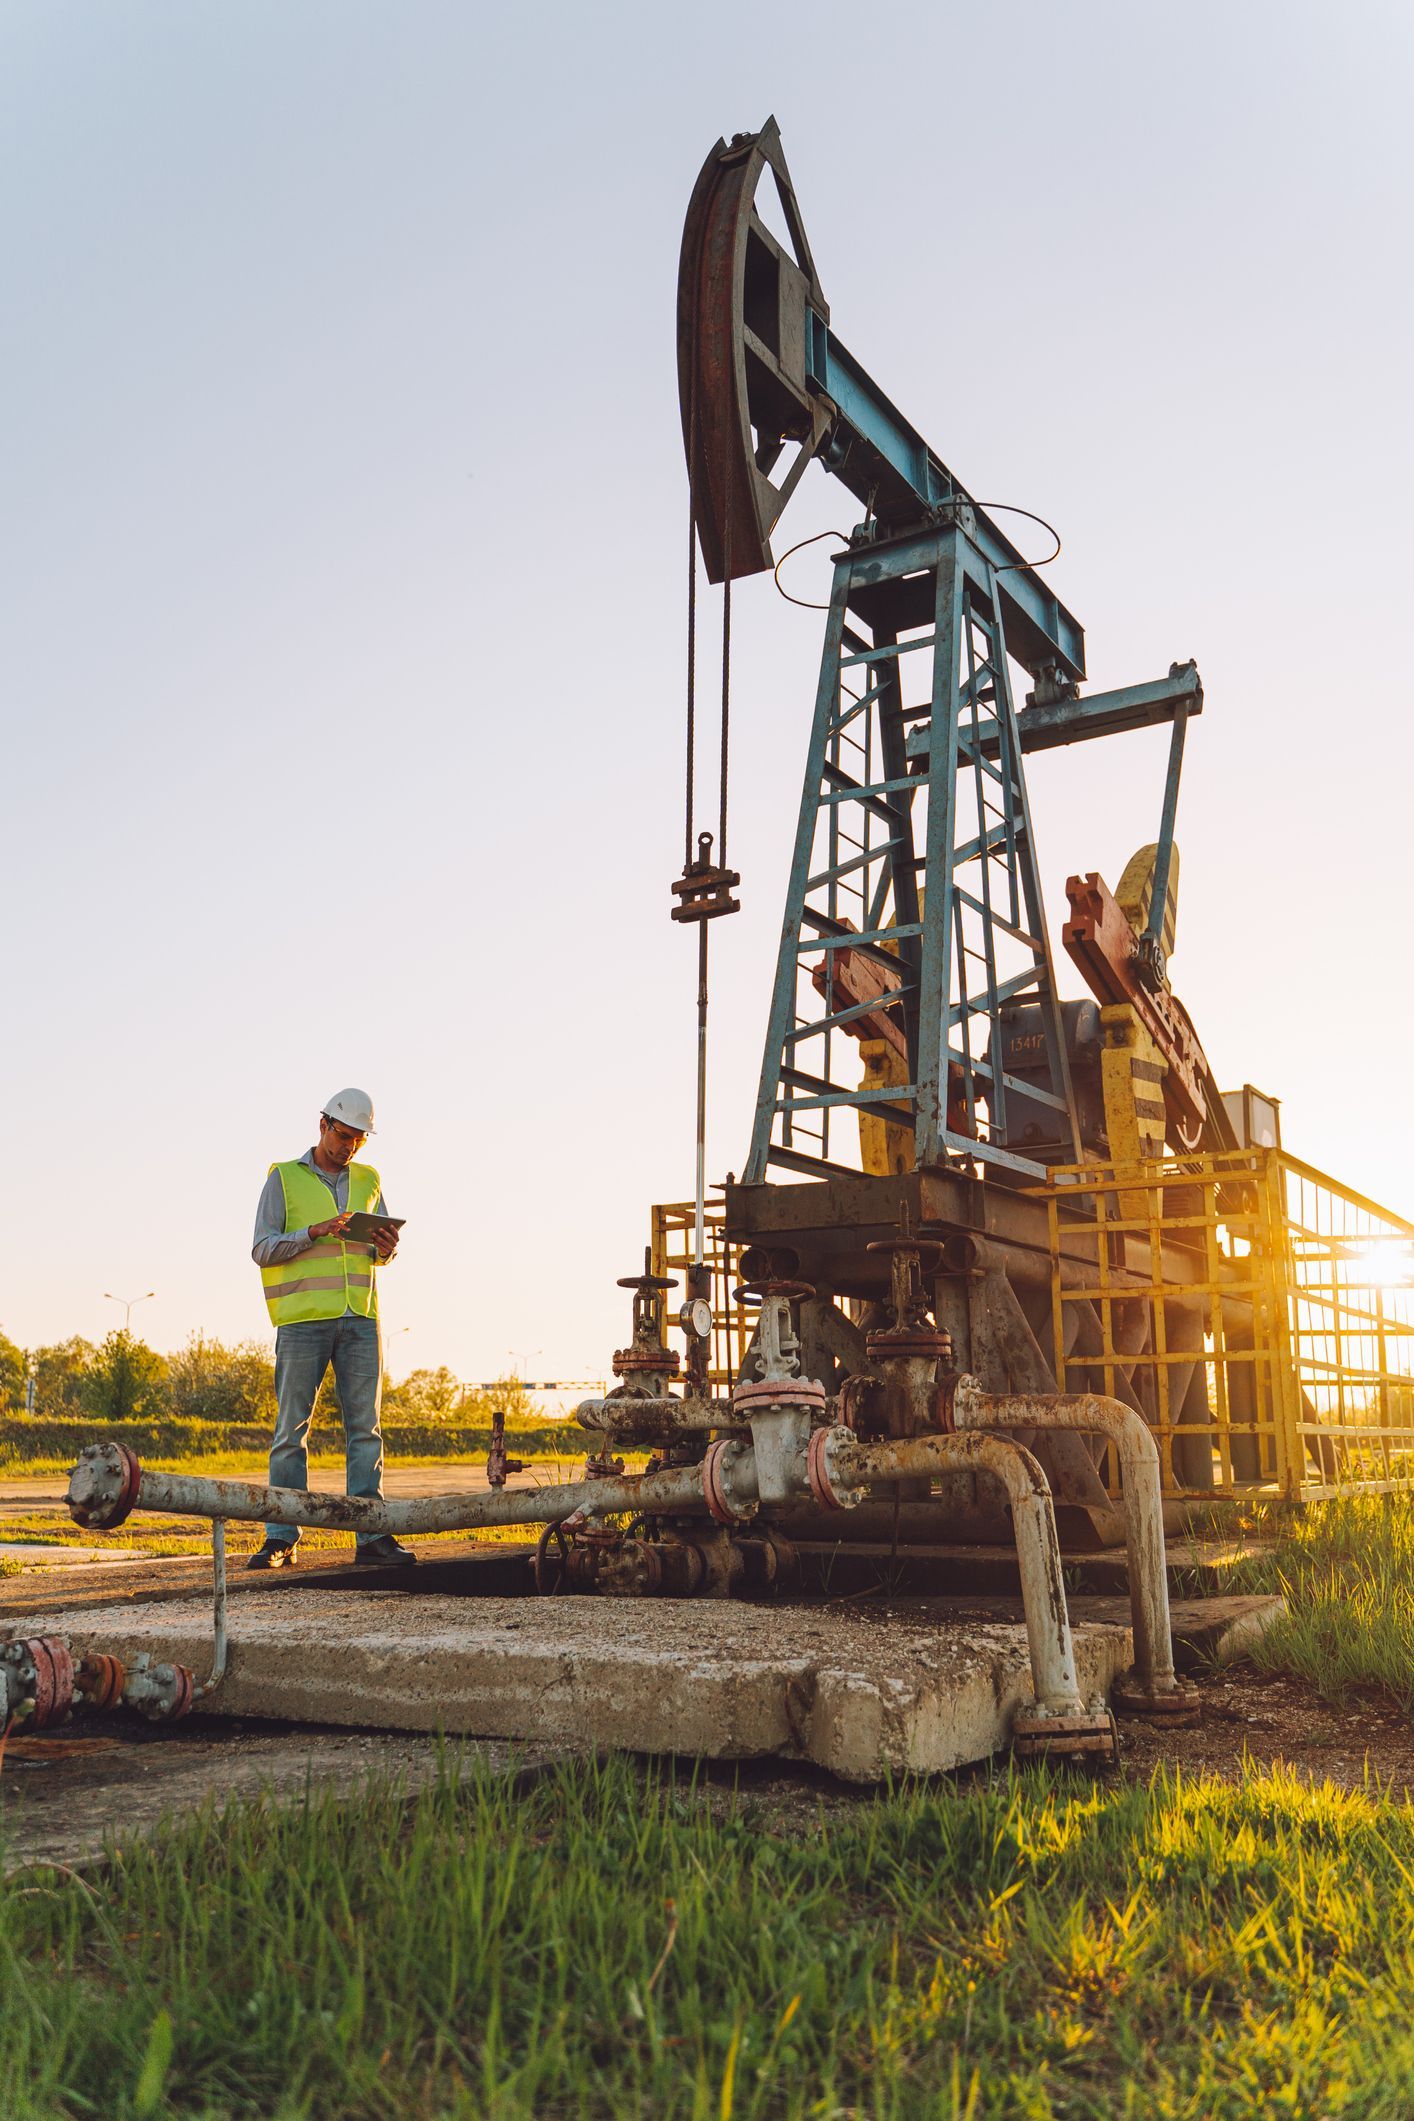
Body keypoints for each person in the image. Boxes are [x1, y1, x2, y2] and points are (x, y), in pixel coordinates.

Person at [247, 1088, 415, 1570]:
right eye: (344, 1136)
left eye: (359, 1139)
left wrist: (386, 1248)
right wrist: (314, 1232)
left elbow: (380, 1252)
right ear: (323, 1125)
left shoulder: (369, 1179)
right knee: (291, 1431)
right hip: (302, 1321)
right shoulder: (283, 1178)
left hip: (360, 1317)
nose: (350, 1147)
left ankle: (372, 1536)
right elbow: (262, 1248)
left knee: (366, 1430)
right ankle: (281, 1537)